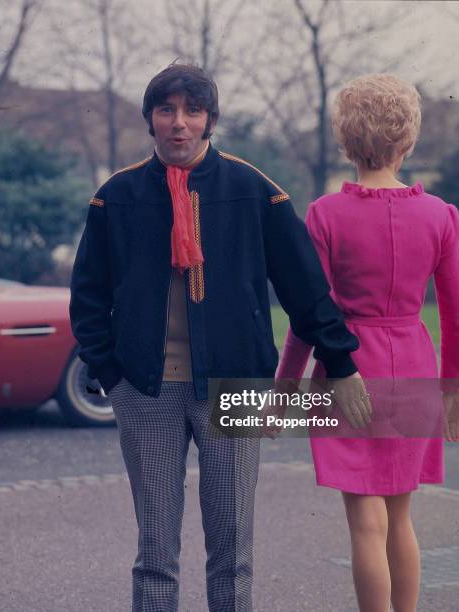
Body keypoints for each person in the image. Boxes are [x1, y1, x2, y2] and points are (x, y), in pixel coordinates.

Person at [70, 63, 367, 612]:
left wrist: (341, 364)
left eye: (192, 110)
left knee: (232, 548)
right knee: (155, 548)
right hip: (146, 388)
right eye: (166, 110)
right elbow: (87, 296)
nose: (179, 123)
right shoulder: (115, 197)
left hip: (237, 383)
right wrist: (112, 374)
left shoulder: (257, 192)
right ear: (150, 119)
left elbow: (306, 289)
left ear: (210, 119)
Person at [277, 73, 459, 612]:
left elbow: (310, 314)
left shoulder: (325, 215)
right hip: (416, 365)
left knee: (365, 521)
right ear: (408, 141)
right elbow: (455, 312)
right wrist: (451, 387)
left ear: (345, 140)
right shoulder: (442, 216)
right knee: (401, 516)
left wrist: (287, 382)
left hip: (348, 370)